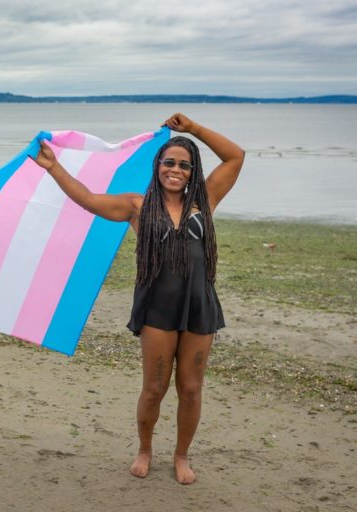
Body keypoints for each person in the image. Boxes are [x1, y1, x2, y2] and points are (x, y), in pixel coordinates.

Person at [31, 112, 244, 485]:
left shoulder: (206, 200)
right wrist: (54, 168)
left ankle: (181, 455)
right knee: (154, 389)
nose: (175, 169)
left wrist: (193, 129)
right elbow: (88, 200)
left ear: (193, 171)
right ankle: (145, 448)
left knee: (191, 389)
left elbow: (235, 156)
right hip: (157, 310)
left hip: (199, 306)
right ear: (157, 165)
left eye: (184, 165)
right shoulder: (138, 206)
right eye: (169, 162)